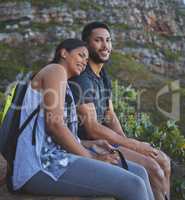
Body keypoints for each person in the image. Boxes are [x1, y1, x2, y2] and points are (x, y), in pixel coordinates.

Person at [12, 38, 154, 200]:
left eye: (87, 59)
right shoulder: (55, 70)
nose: (84, 62)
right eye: (80, 55)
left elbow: (53, 135)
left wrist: (90, 144)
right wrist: (92, 157)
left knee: (140, 172)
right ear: (63, 53)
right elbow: (55, 125)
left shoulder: (67, 88)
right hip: (39, 166)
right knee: (132, 185)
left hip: (58, 159)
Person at [69, 22, 171, 200]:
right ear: (86, 45)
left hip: (109, 140)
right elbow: (92, 128)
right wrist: (135, 146)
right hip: (90, 144)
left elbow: (110, 115)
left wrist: (128, 143)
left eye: (108, 40)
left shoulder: (102, 74)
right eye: (98, 40)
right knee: (154, 169)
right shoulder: (83, 78)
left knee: (164, 161)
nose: (105, 45)